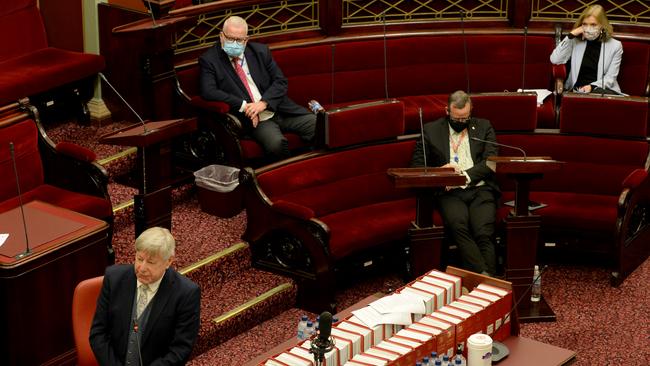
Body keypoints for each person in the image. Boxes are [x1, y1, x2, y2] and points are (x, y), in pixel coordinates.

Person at [199, 15, 316, 162]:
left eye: (239, 40)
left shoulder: (260, 52)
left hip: (278, 109)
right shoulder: (210, 60)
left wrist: (264, 103)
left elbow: (280, 81)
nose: (234, 43)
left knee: (319, 124)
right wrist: (243, 106)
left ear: (246, 40)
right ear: (221, 36)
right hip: (255, 120)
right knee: (276, 144)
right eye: (230, 39)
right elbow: (208, 91)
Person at [410, 91, 499, 276]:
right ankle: (488, 279)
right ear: (447, 111)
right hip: (450, 192)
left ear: (471, 111)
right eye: (457, 119)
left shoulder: (484, 127)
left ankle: (486, 281)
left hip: (480, 188)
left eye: (465, 118)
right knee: (459, 226)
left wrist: (465, 176)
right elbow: (417, 166)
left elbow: (492, 161)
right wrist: (443, 172)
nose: (461, 122)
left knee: (483, 231)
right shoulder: (430, 130)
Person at [90, 227, 201, 365]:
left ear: (169, 261)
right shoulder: (114, 278)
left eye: (151, 262)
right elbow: (98, 333)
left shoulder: (186, 294)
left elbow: (181, 349)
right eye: (139, 258)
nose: (141, 268)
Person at [550, 5, 623, 94]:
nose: (588, 28)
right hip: (577, 91)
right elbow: (555, 59)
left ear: (602, 26)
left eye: (593, 24)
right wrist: (570, 36)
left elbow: (610, 78)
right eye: (585, 24)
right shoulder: (575, 41)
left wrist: (592, 87)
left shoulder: (615, 46)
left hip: (601, 90)